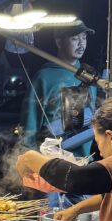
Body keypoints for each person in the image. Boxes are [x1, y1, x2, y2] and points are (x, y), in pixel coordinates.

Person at [20, 23, 97, 159]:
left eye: (84, 38)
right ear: (59, 42)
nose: (81, 44)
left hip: (84, 161)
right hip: (51, 162)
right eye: (75, 39)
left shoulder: (89, 77)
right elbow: (30, 123)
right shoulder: (44, 77)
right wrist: (29, 156)